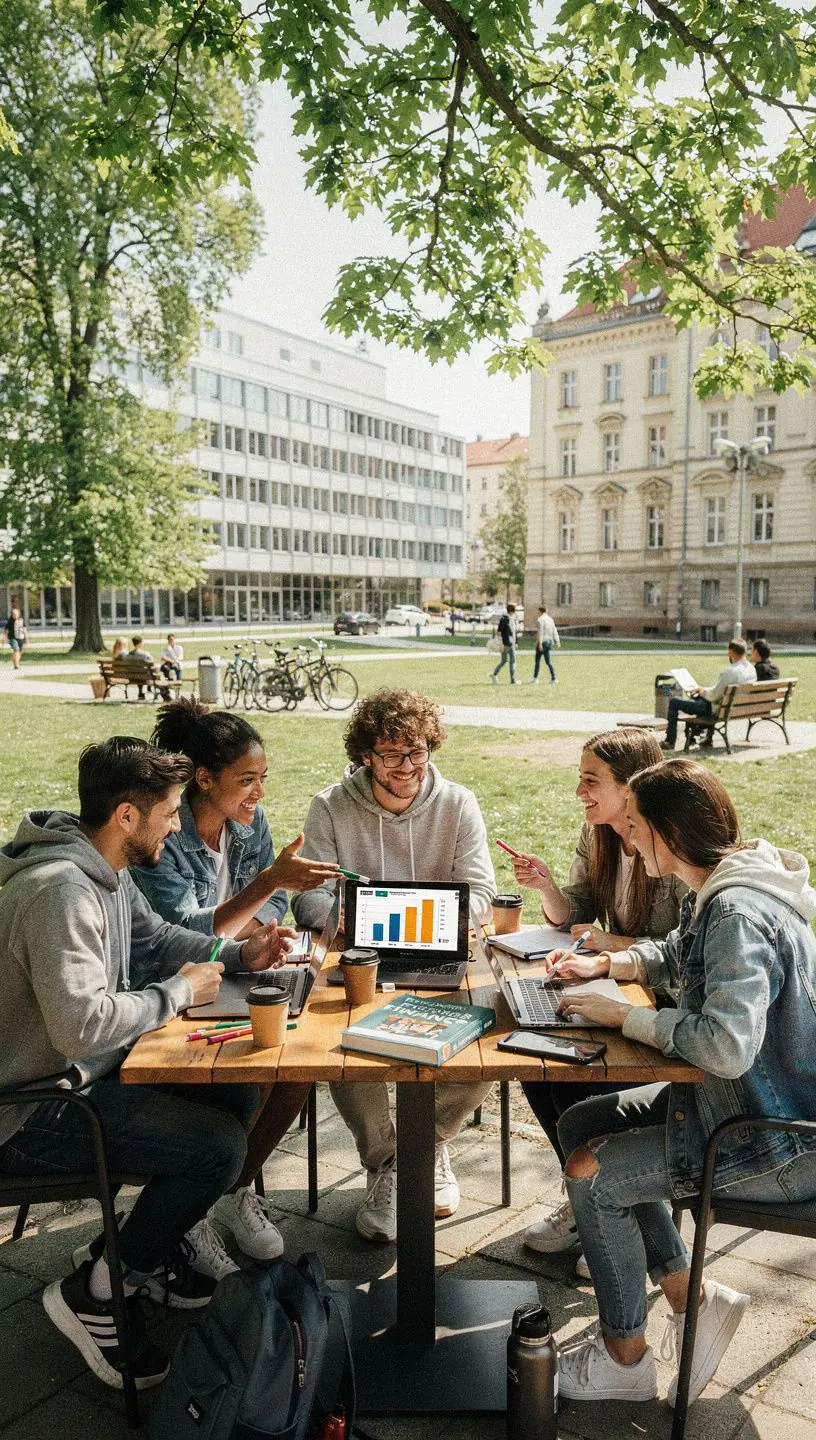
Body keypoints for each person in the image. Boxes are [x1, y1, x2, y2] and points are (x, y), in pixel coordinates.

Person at [0, 737, 297, 1390]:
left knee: (236, 1093)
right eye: (167, 814)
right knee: (217, 1148)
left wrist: (237, 955)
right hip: (28, 1111)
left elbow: (154, 938)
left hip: (79, 1077)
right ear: (127, 816)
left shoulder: (102, 866)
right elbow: (80, 1026)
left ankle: (134, 1251)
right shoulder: (60, 893)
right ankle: (98, 1293)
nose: (175, 826)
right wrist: (175, 994)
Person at [544, 759, 816, 1409]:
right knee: (582, 1122)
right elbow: (676, 952)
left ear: (668, 831)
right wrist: (609, 963)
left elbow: (725, 1046)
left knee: (594, 1174)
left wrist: (625, 1017)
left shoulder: (738, 912)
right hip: (739, 1111)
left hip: (774, 1143)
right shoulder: (726, 881)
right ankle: (691, 1297)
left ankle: (625, 1362)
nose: (629, 840)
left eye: (636, 827)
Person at [131, 697, 341, 1267]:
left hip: (239, 969)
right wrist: (265, 892)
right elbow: (182, 931)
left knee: (297, 1069)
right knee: (254, 1071)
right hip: (174, 989)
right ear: (204, 779)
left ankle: (233, 1190)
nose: (260, 793)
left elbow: (269, 905)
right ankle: (191, 1211)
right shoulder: (164, 834)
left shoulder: (249, 826)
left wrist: (258, 936)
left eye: (263, 778)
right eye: (247, 780)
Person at [292, 688, 496, 1243]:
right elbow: (308, 901)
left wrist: (416, 920)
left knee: (493, 1031)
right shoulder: (331, 806)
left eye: (418, 752)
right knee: (336, 1042)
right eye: (391, 755)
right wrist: (367, 921)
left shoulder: (458, 803)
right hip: (361, 954)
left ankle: (426, 1147)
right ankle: (387, 1163)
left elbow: (481, 893)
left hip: (439, 948)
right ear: (366, 755)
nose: (406, 767)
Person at [511, 729, 686, 1271]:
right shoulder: (598, 835)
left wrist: (611, 947)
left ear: (631, 787)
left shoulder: (673, 844)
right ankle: (586, 1196)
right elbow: (578, 914)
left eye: (591, 780)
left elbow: (686, 950)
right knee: (537, 1061)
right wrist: (547, 888)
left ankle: (614, 1208)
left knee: (581, 1081)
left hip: (668, 1006)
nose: (579, 792)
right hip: (622, 983)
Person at [661, 637, 756, 750]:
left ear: (731, 652)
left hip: (716, 710)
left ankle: (670, 741)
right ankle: (702, 738)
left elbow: (713, 696)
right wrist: (702, 690)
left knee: (674, 702)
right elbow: (719, 692)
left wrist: (702, 691)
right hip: (736, 708)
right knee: (698, 697)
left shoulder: (730, 672)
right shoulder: (751, 669)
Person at [532, 604, 560, 684]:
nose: (537, 612)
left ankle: (535, 678)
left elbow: (540, 631)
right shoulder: (550, 619)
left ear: (540, 611)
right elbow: (554, 630)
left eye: (538, 611)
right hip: (549, 641)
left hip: (543, 641)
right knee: (548, 661)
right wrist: (557, 640)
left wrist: (539, 643)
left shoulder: (540, 619)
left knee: (537, 660)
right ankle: (554, 678)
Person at [490, 603, 518, 685]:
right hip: (507, 643)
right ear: (513, 610)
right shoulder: (505, 619)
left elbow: (514, 632)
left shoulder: (511, 619)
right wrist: (501, 644)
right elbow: (499, 632)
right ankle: (513, 681)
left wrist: (516, 642)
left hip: (510, 643)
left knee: (504, 661)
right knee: (512, 661)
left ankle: (494, 674)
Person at [127, 635, 154, 700]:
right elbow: (152, 662)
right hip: (143, 677)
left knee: (138, 671)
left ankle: (140, 692)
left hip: (132, 677)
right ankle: (149, 686)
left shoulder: (129, 654)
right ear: (140, 643)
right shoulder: (145, 653)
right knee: (147, 670)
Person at [3, 602, 27, 672]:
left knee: (19, 651)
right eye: (13, 614)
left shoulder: (21, 620)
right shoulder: (10, 621)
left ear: (18, 614)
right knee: (16, 649)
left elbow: (24, 629)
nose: (15, 615)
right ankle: (16, 665)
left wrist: (26, 638)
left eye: (16, 614)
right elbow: (6, 630)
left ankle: (16, 663)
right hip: (12, 638)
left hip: (20, 637)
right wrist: (4, 638)